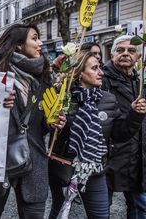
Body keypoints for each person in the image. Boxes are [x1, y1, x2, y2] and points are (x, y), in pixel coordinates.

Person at [0, 24, 66, 219]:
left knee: (34, 214)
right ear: (18, 45)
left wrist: (52, 123)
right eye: (34, 38)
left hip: (33, 158)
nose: (40, 43)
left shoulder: (43, 75)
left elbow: (40, 124)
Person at [48, 51, 146, 219]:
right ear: (79, 73)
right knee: (59, 213)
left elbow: (120, 134)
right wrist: (56, 126)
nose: (101, 72)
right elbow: (50, 133)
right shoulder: (62, 98)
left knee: (101, 216)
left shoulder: (108, 99)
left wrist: (134, 115)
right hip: (64, 171)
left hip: (95, 170)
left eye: (100, 67)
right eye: (94, 68)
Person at [102, 35, 146, 218]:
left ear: (138, 57)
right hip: (109, 158)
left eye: (131, 50)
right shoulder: (101, 79)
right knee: (102, 210)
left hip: (137, 158)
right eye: (120, 50)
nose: (126, 54)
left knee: (140, 209)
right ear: (112, 55)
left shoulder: (140, 81)